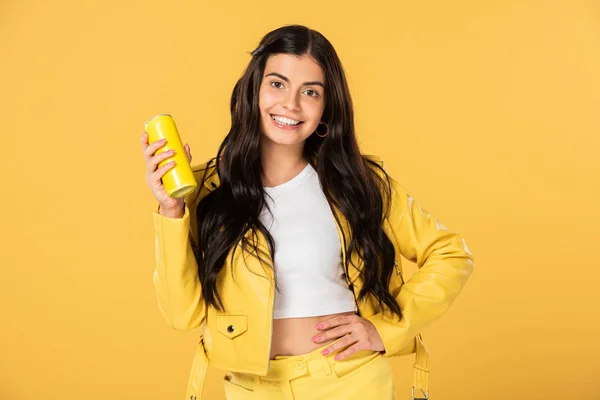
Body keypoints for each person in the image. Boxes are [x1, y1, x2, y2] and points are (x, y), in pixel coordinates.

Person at [140, 24, 474, 400]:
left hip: (350, 382)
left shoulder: (359, 184)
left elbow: (450, 253)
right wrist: (171, 209)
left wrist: (386, 329)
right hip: (252, 389)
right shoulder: (210, 192)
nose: (291, 104)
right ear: (254, 90)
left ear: (326, 107)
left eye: (310, 92)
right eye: (278, 84)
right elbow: (181, 314)